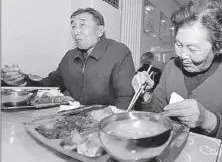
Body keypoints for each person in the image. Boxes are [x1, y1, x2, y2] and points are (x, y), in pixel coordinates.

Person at [132, 0, 222, 162]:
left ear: (217, 46)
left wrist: (209, 120)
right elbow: (158, 115)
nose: (182, 56)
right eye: (179, 44)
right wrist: (146, 96)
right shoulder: (171, 67)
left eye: (193, 48)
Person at [1, 8, 135, 109]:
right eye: (73, 26)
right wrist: (22, 81)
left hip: (106, 124)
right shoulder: (69, 56)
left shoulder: (119, 52)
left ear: (100, 31)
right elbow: (50, 84)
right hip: (73, 119)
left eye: (82, 25)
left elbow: (126, 99)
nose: (76, 32)